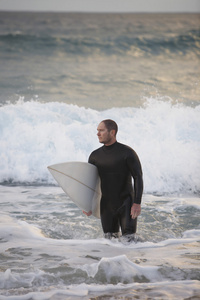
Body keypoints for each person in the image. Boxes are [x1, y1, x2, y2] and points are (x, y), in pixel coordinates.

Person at [83, 119, 143, 241]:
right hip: (106, 206)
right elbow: (91, 182)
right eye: (97, 131)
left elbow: (138, 177)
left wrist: (137, 203)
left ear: (112, 132)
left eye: (101, 130)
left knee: (129, 241)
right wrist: (87, 204)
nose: (98, 134)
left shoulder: (127, 153)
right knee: (109, 242)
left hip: (126, 203)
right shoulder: (95, 156)